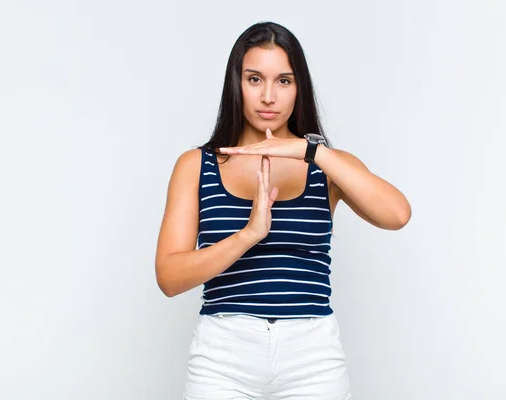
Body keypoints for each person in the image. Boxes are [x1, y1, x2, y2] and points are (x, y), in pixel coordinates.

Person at [155, 21, 411, 400]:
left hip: (311, 355)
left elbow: (397, 214)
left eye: (284, 81)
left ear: (299, 88)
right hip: (224, 355)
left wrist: (312, 151)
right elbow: (169, 277)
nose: (269, 97)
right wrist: (248, 235)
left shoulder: (326, 165)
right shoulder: (197, 165)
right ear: (236, 85)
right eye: (255, 79)